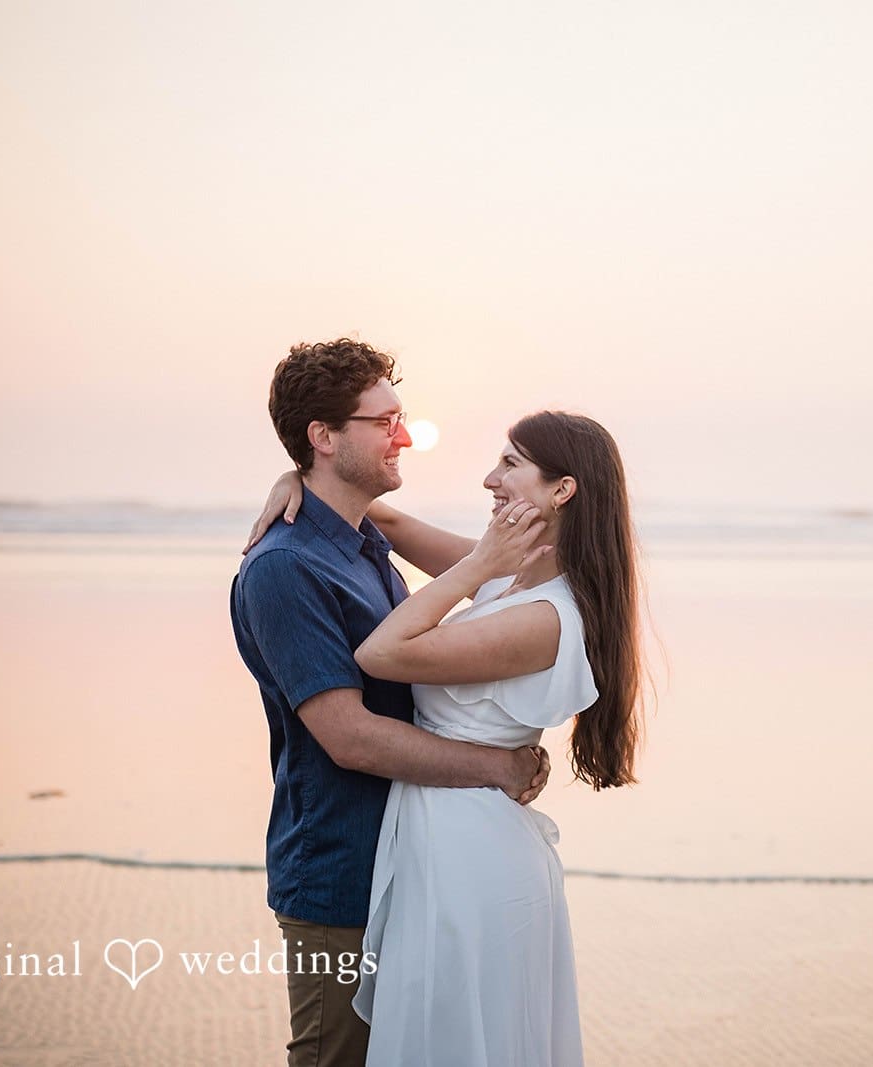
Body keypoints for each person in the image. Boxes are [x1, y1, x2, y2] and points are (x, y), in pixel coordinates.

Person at [246, 410, 644, 1066]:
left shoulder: (544, 614)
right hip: (444, 828)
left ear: (561, 490)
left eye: (511, 464)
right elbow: (389, 522)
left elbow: (381, 653)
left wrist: (478, 563)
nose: (491, 477)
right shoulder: (516, 578)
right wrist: (294, 479)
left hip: (471, 851)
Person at [231, 337, 550, 1067]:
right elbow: (350, 737)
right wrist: (496, 764)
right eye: (384, 422)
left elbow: (507, 571)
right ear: (324, 436)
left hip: (413, 862)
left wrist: (294, 477)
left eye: (402, 418)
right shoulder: (284, 569)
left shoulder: (362, 539)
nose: (403, 436)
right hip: (339, 878)